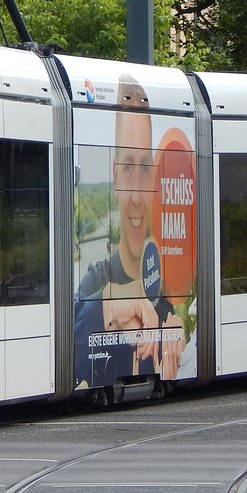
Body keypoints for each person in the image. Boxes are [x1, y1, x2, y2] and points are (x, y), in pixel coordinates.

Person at [74, 75, 184, 388]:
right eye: (127, 168)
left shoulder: (164, 284)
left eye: (145, 168)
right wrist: (111, 303)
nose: (136, 196)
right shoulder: (96, 279)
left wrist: (181, 333)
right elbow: (64, 348)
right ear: (114, 174)